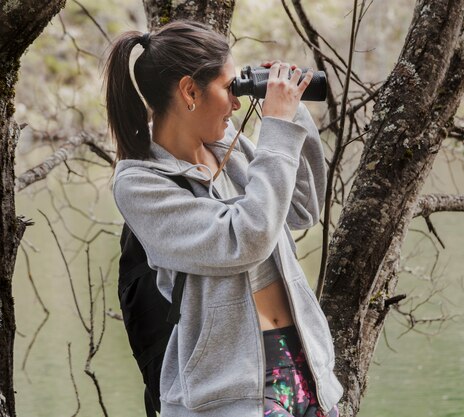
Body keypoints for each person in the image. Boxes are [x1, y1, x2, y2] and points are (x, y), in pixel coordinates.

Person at [103, 20, 343, 417]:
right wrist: (277, 130)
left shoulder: (229, 146)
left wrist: (293, 114)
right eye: (229, 87)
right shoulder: (140, 183)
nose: (236, 102)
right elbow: (244, 239)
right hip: (231, 391)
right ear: (189, 90)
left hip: (304, 365)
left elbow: (301, 208)